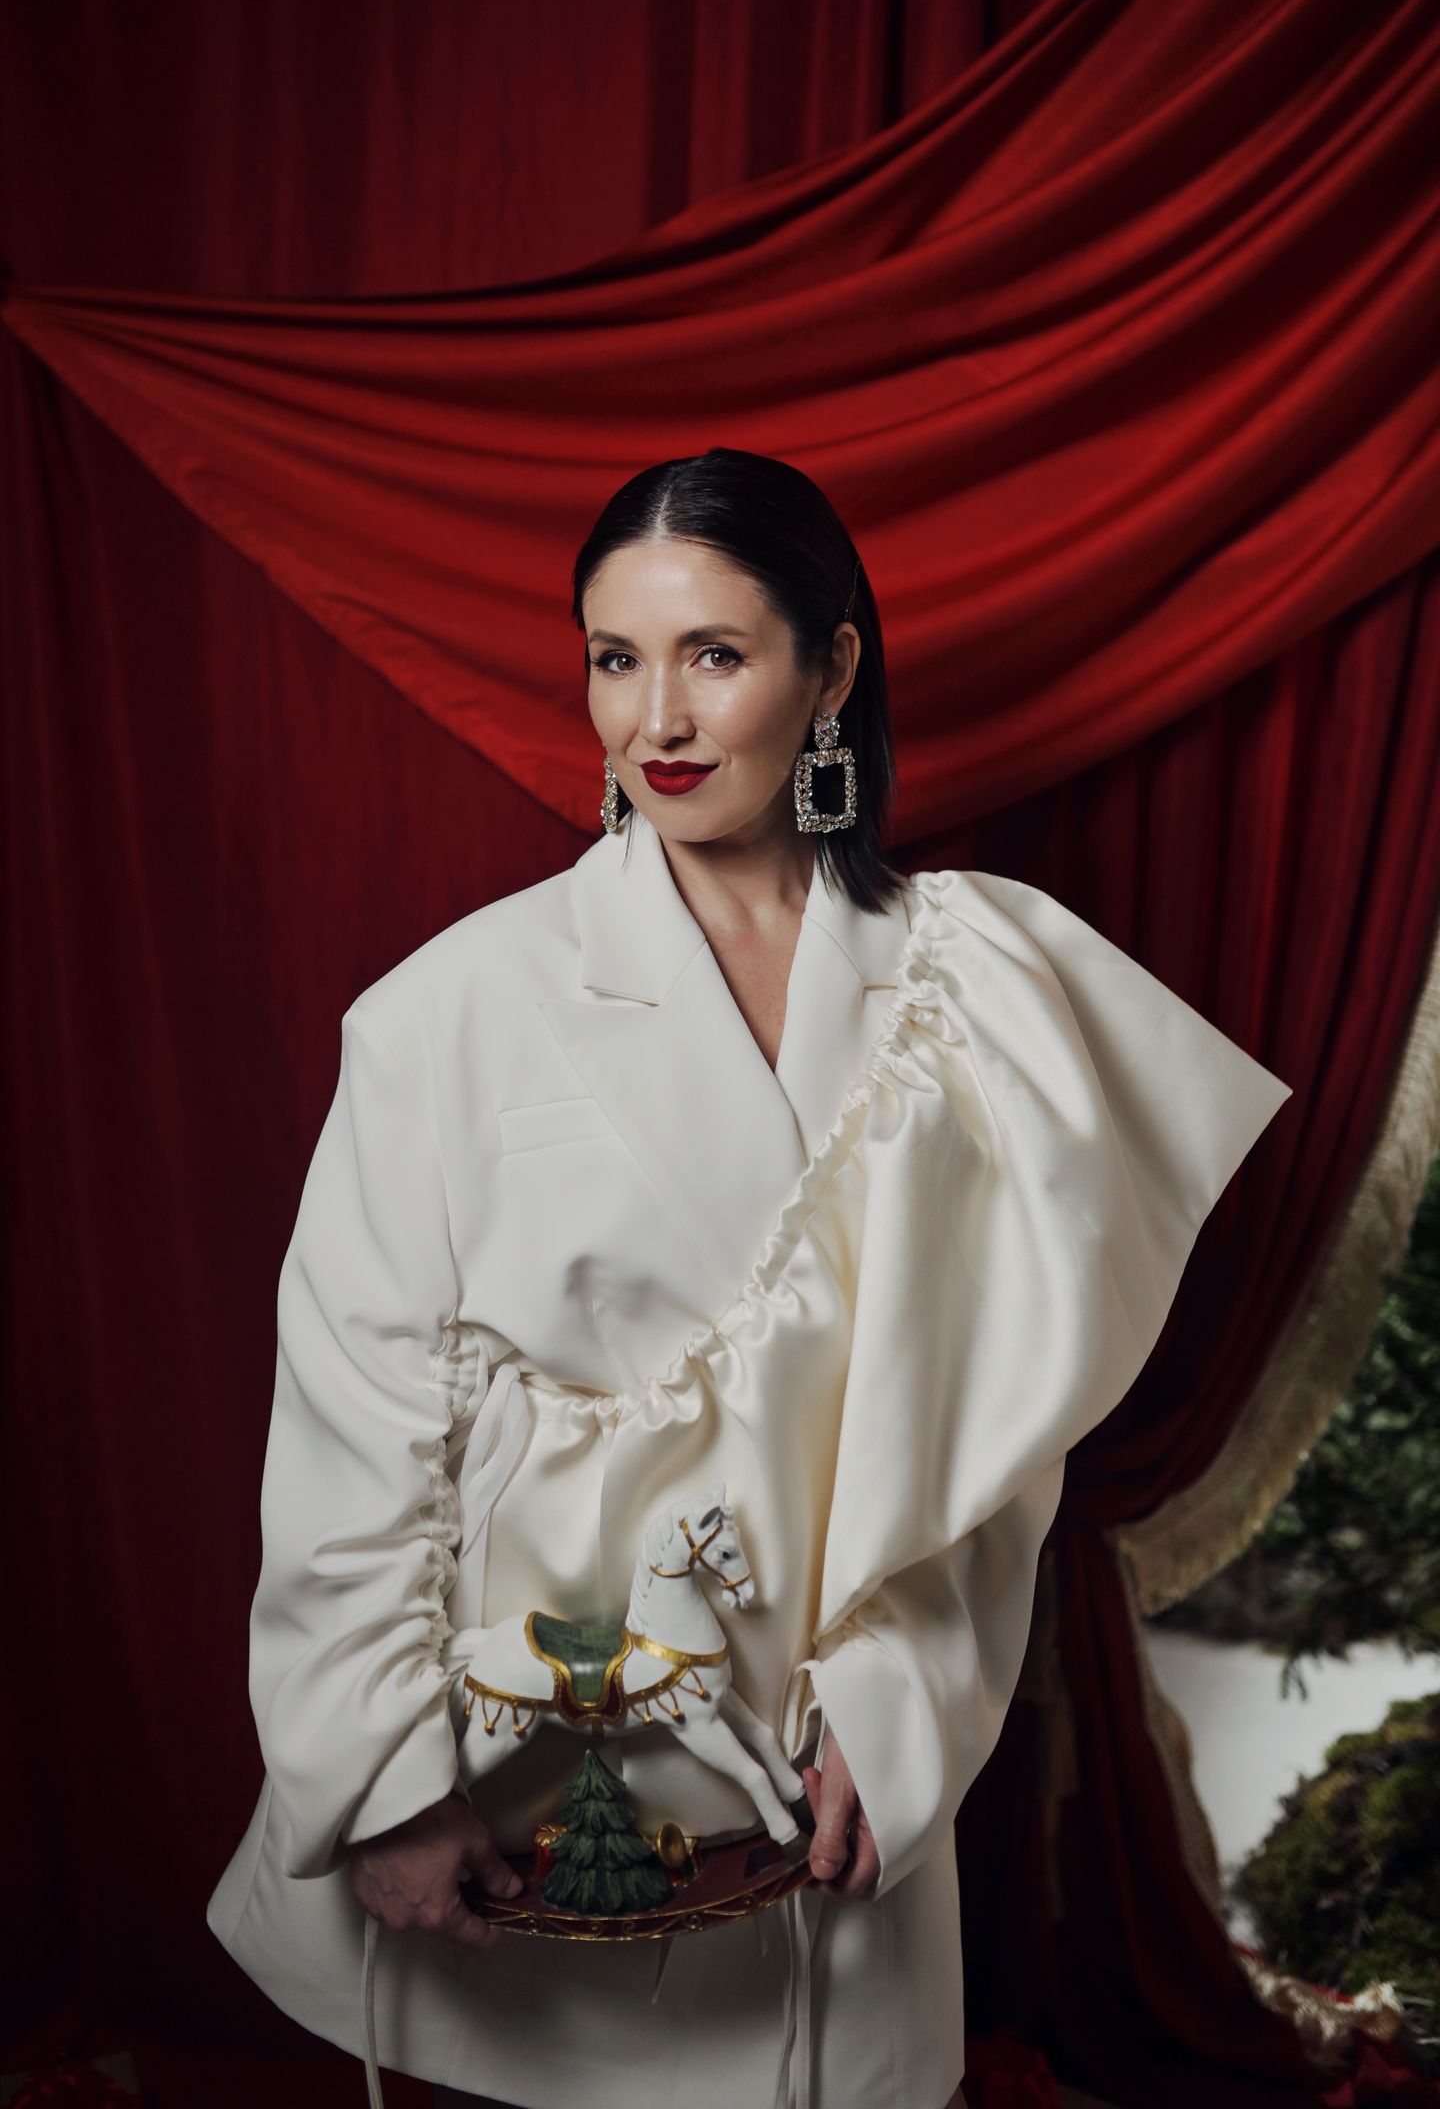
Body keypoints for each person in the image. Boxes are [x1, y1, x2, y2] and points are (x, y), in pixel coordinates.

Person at [206, 448, 1292, 2109]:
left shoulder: (979, 989)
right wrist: (382, 1773)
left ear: (832, 667)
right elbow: (356, 1428)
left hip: (829, 1788)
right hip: (525, 1774)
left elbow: (997, 1428)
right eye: (614, 659)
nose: (656, 718)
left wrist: (905, 1703)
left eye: (713, 653)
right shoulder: (450, 1010)